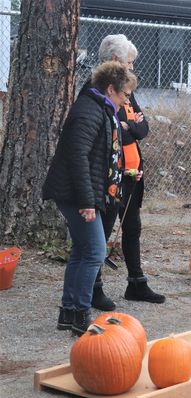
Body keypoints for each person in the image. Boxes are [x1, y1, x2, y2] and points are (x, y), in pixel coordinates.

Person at [42, 62, 137, 335]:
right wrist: (86, 202)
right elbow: (78, 158)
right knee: (95, 251)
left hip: (79, 191)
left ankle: (68, 312)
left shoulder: (100, 108)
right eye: (124, 95)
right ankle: (81, 316)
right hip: (75, 193)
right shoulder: (89, 111)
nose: (126, 100)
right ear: (110, 89)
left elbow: (98, 157)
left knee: (83, 251)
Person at [83, 34, 165, 310]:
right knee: (102, 231)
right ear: (116, 60)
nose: (132, 67)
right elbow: (112, 129)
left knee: (132, 226)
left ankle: (136, 283)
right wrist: (128, 126)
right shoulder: (96, 89)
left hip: (133, 171)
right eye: (130, 62)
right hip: (110, 173)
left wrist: (129, 126)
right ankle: (93, 288)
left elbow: (142, 129)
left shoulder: (127, 89)